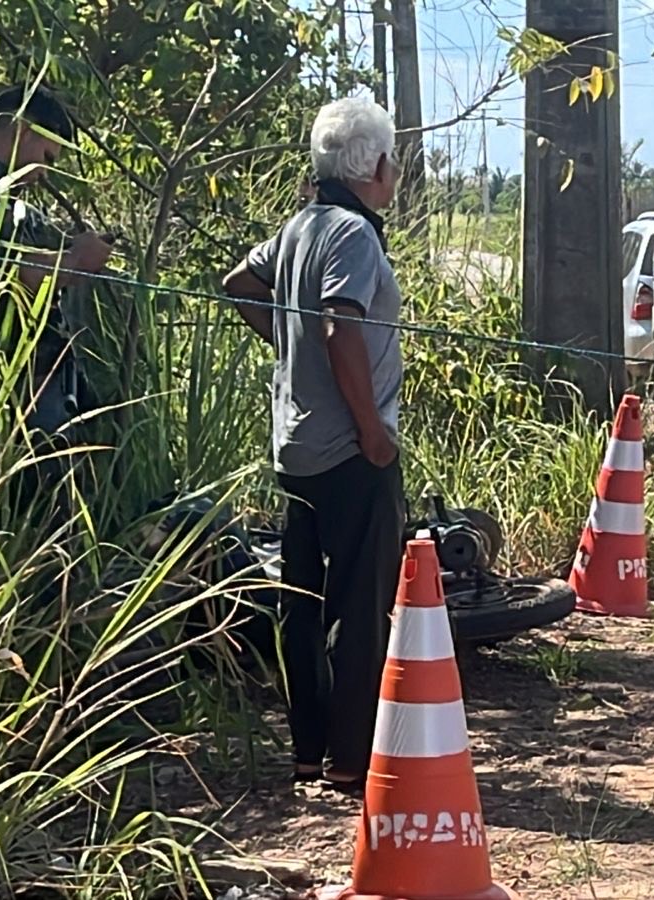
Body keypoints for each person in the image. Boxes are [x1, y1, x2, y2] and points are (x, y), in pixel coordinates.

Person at [221, 97, 406, 790]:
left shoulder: (301, 225)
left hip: (293, 445)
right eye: (392, 160)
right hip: (348, 450)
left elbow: (240, 283)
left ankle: (307, 751)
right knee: (359, 606)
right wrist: (370, 431)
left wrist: (284, 347)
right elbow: (340, 327)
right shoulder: (354, 234)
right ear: (375, 165)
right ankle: (351, 760)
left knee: (302, 599)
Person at [0, 85, 113, 516]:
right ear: (20, 130)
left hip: (20, 376)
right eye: (48, 157)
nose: (45, 173)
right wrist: (75, 260)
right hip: (5, 378)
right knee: (33, 500)